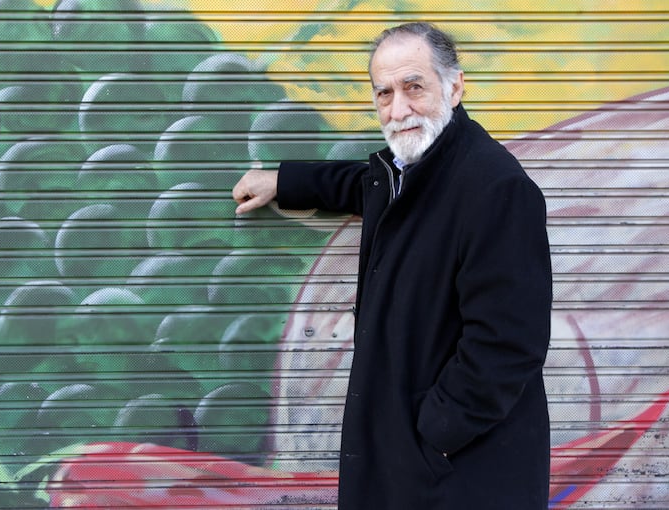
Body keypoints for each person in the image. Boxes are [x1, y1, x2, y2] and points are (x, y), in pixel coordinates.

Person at [232, 22, 552, 509]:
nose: (398, 109)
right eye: (384, 93)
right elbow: (363, 183)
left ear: (455, 87)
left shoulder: (497, 189)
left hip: (459, 476)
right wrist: (284, 181)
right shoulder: (410, 172)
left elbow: (508, 346)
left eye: (413, 87)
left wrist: (434, 434)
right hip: (417, 465)